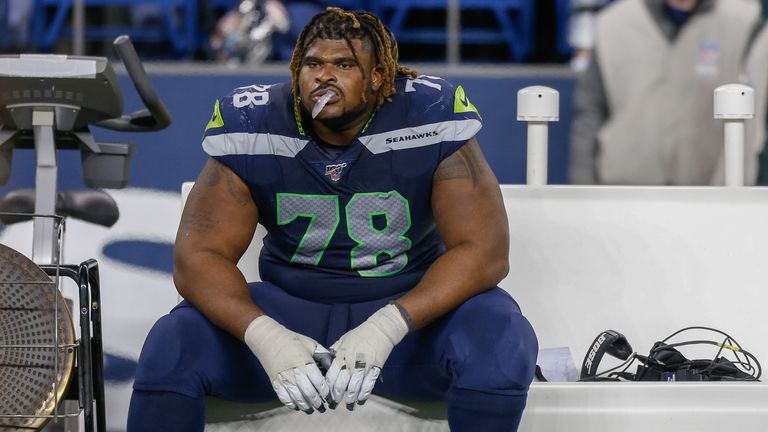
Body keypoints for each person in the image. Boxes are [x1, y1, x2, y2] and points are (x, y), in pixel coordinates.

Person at [127, 7, 538, 432]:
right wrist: (266, 337)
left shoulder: (428, 113)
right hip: (291, 314)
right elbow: (198, 255)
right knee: (172, 343)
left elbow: (485, 252)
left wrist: (388, 325)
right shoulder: (256, 121)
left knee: (501, 335)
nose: (324, 77)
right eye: (312, 64)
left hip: (406, 316)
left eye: (343, 65)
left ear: (379, 77)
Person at [569, 0, 764, 185]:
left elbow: (753, 122)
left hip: (705, 193)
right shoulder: (612, 24)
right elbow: (590, 112)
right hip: (624, 191)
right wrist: (582, 191)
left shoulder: (744, 22)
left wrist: (731, 197)